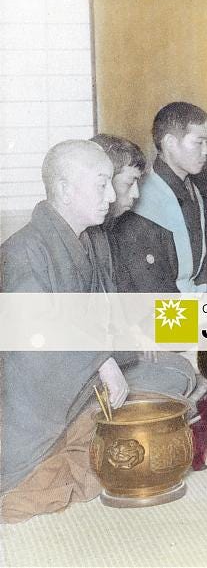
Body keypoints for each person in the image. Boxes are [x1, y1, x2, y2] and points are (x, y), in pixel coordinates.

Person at [0, 140, 193, 523]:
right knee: (35, 492)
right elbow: (33, 345)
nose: (113, 195)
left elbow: (106, 316)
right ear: (64, 189)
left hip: (81, 382)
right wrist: (101, 360)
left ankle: (91, 439)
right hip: (40, 405)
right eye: (102, 184)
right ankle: (75, 447)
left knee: (177, 374)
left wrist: (127, 345)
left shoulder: (90, 239)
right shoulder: (24, 252)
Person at [110, 101, 207, 293]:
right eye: (198, 142)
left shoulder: (194, 190)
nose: (206, 151)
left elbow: (204, 270)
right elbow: (152, 293)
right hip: (161, 315)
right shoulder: (138, 204)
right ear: (170, 143)